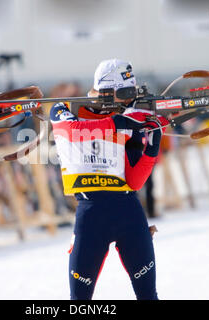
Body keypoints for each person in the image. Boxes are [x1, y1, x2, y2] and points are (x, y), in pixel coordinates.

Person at [49, 59, 168, 300]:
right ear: (104, 91)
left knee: (149, 296)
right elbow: (73, 131)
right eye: (124, 93)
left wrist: (152, 148)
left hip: (129, 213)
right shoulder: (66, 108)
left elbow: (134, 182)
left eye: (132, 93)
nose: (129, 100)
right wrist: (118, 123)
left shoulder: (128, 116)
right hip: (91, 217)